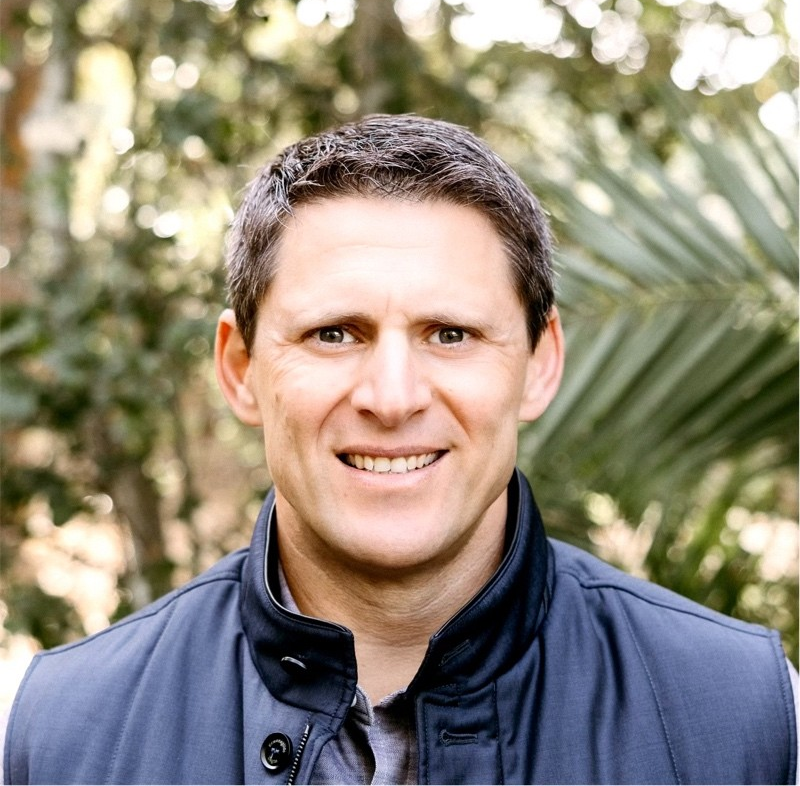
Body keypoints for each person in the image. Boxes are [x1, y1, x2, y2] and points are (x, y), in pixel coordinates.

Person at [4, 114, 796, 785]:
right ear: (241, 370)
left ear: (539, 363)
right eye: (334, 334)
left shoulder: (747, 718)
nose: (392, 397)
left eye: (450, 334)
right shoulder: (62, 733)